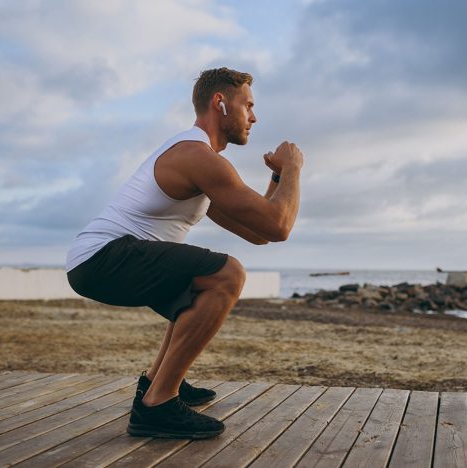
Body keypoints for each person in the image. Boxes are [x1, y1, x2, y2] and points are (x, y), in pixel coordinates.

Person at [65, 67, 303, 439]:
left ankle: (157, 382)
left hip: (95, 261)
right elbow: (280, 226)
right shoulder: (196, 156)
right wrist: (293, 169)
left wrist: (275, 180)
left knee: (198, 286)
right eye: (248, 106)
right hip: (102, 257)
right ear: (219, 103)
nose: (254, 117)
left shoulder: (198, 163)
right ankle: (157, 405)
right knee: (228, 274)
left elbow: (261, 234)